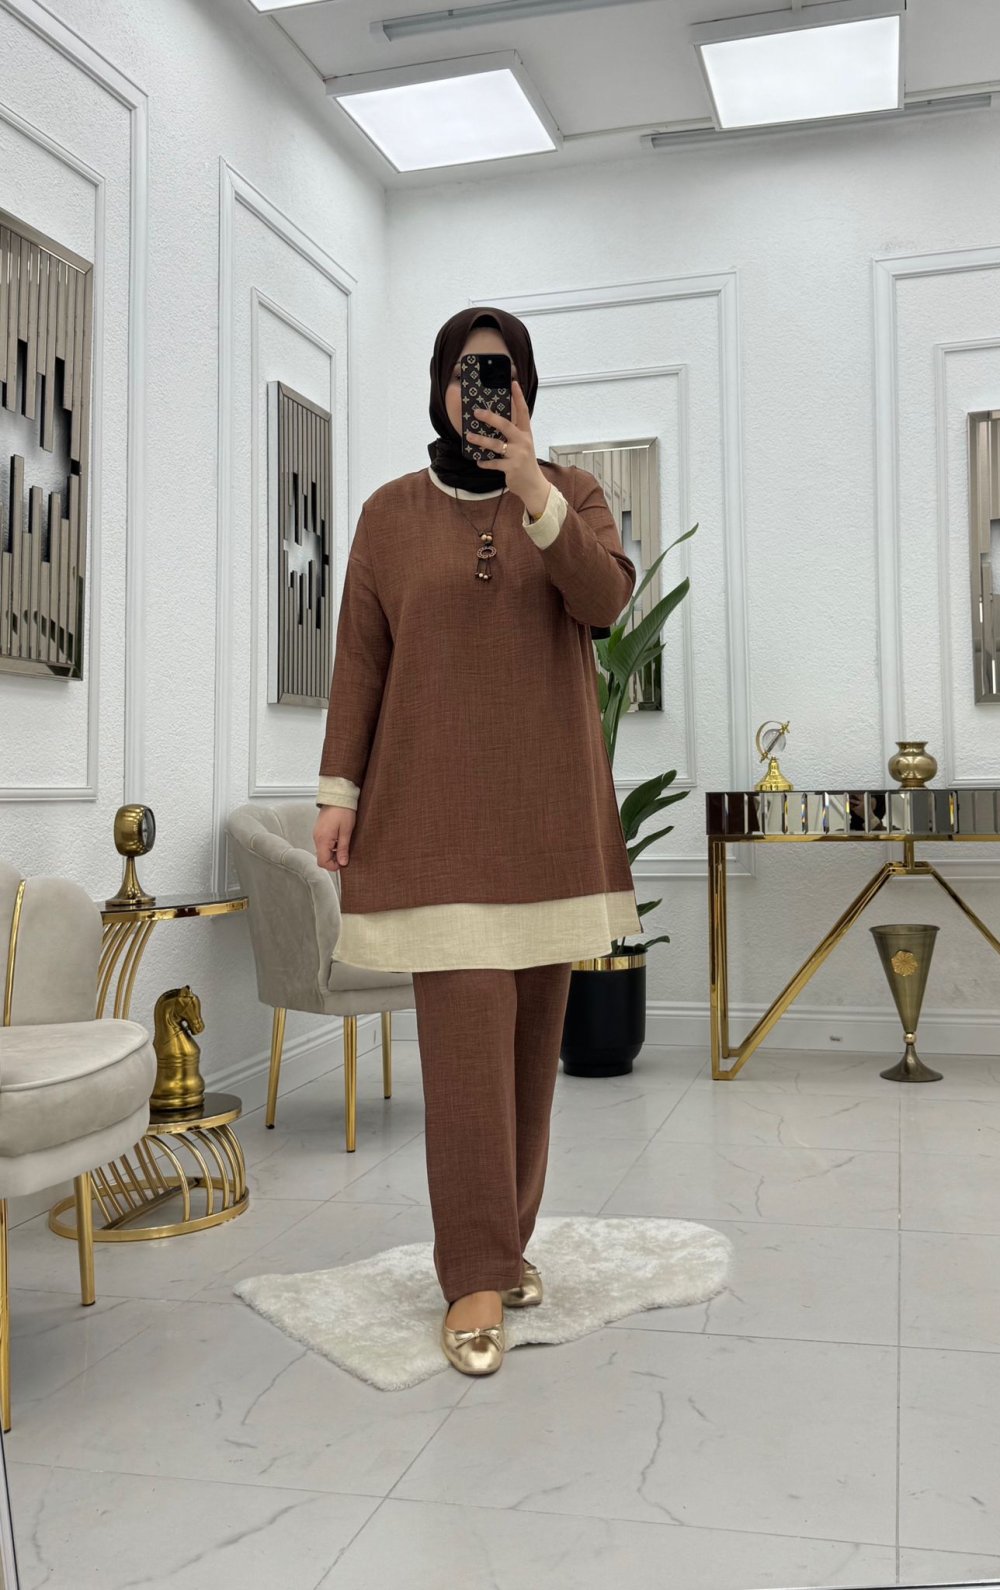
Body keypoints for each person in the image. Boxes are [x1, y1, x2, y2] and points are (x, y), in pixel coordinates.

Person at [313, 306, 642, 1376]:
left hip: (546, 820)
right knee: (463, 1064)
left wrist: (532, 487)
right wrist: (337, 791)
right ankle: (472, 1278)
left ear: (526, 390)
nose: (479, 391)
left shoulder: (571, 495)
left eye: (498, 374)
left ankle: (505, 1245)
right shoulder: (389, 514)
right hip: (432, 821)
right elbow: (360, 660)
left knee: (528, 1060)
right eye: (465, 373)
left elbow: (604, 601)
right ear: (438, 388)